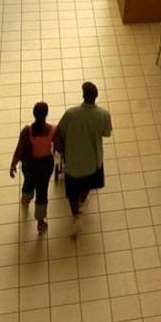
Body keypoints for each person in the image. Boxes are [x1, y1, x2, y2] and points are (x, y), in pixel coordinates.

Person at [55, 81, 112, 234]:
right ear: (96, 96)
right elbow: (107, 133)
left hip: (73, 160)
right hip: (93, 161)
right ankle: (82, 201)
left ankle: (75, 216)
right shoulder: (103, 115)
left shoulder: (71, 114)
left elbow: (59, 131)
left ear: (83, 95)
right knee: (87, 184)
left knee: (72, 190)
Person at [10, 102, 55, 233]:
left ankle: (26, 198)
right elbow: (59, 146)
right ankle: (40, 223)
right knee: (42, 192)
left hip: (29, 165)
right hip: (45, 166)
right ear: (46, 114)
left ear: (34, 114)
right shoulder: (52, 130)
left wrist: (13, 164)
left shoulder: (27, 131)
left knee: (28, 182)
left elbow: (19, 149)